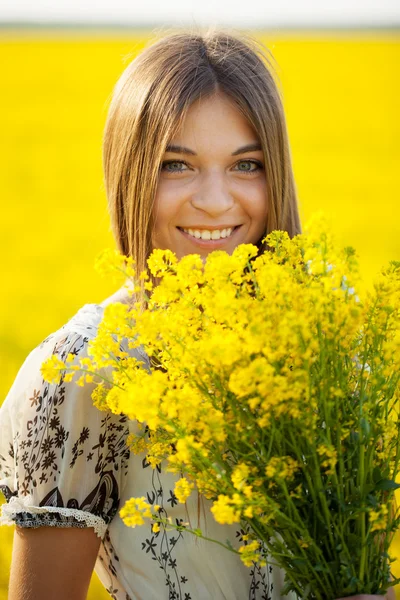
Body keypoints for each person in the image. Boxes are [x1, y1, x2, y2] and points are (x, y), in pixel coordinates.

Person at [0, 29, 395, 600]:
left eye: (247, 165)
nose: (214, 201)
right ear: (129, 178)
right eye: (176, 166)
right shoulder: (83, 373)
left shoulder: (330, 339)